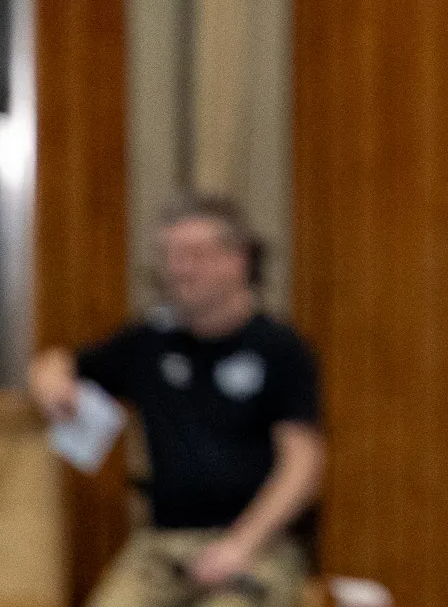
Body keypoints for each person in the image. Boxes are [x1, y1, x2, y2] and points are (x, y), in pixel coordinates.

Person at [30, 195, 325, 607]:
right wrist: (51, 380)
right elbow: (60, 362)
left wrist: (242, 545)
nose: (179, 269)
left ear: (237, 260)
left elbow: (302, 464)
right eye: (170, 256)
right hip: (162, 545)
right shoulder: (149, 341)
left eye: (195, 255)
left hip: (257, 545)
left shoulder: (280, 349)